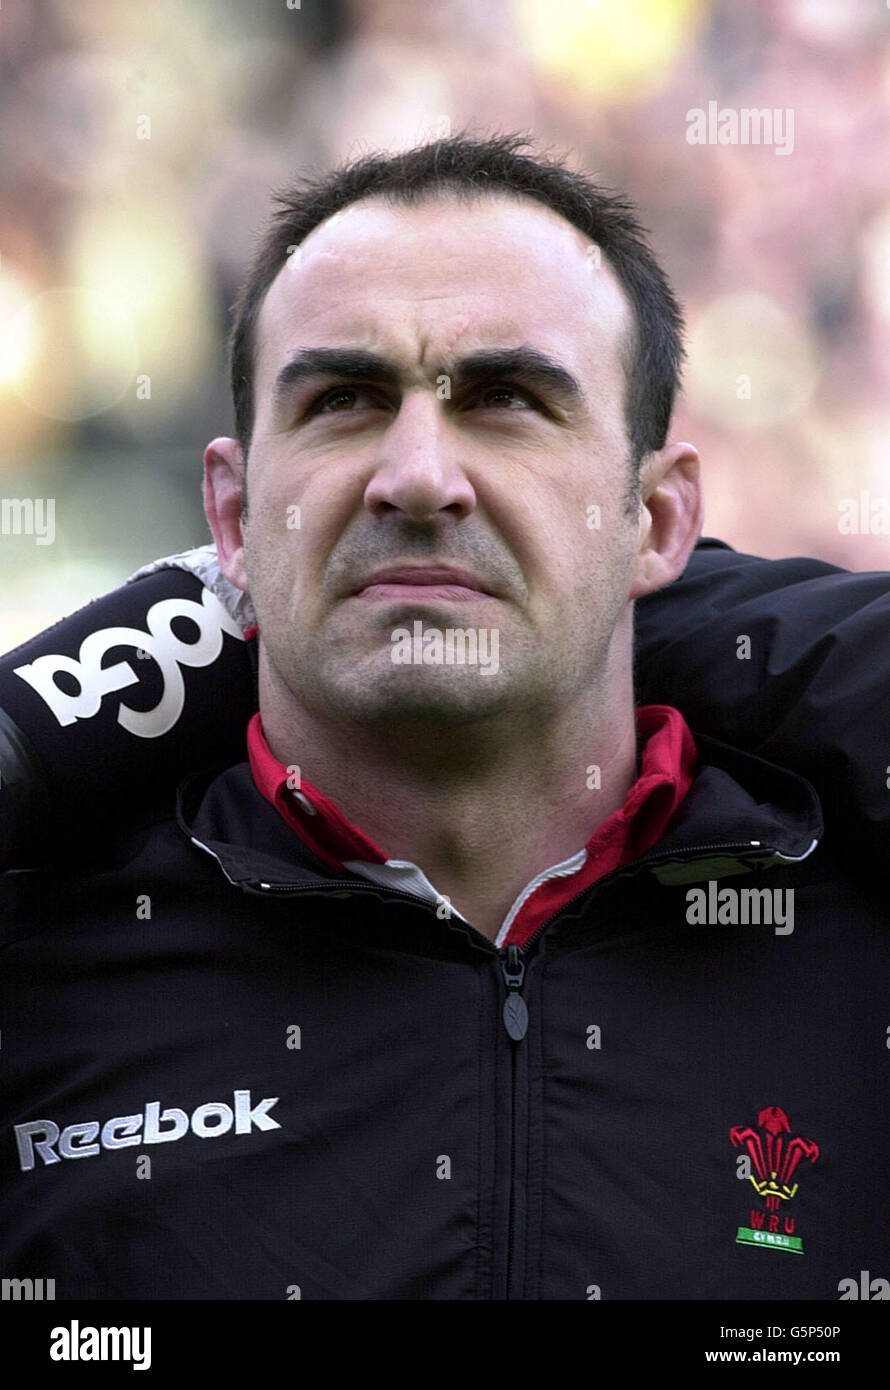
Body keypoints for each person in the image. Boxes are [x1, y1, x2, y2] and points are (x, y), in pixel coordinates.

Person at [1, 133, 887, 1300]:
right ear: (228, 516)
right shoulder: (40, 975)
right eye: (343, 398)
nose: (417, 475)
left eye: (507, 399)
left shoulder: (855, 937)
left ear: (658, 520)